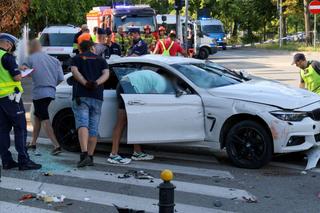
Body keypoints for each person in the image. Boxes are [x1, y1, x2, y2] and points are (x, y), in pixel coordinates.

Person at [0, 33, 42, 170]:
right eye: (11, 45)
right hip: (12, 99)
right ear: (6, 43)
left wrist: (17, 69)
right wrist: (21, 73)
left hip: (1, 100)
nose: (11, 48)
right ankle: (24, 160)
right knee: (20, 129)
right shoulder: (7, 57)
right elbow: (17, 78)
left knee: (3, 130)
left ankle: (6, 161)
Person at [108, 70, 168, 164]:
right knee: (125, 122)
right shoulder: (163, 83)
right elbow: (153, 99)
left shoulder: (154, 76)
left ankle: (137, 152)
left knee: (128, 122)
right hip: (130, 87)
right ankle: (114, 154)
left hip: (122, 84)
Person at [71, 40, 109, 168]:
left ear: (80, 49)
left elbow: (75, 72)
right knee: (93, 128)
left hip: (81, 95)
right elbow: (106, 74)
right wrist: (96, 83)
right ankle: (91, 157)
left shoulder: (77, 58)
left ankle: (84, 154)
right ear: (92, 48)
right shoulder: (101, 60)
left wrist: (85, 82)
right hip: (97, 96)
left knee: (82, 124)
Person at [24, 39, 64, 155]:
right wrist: (51, 85)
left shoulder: (31, 58)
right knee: (38, 117)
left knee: (44, 119)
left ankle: (56, 146)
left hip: (39, 93)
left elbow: (23, 71)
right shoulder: (54, 60)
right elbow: (61, 78)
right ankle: (33, 143)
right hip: (50, 92)